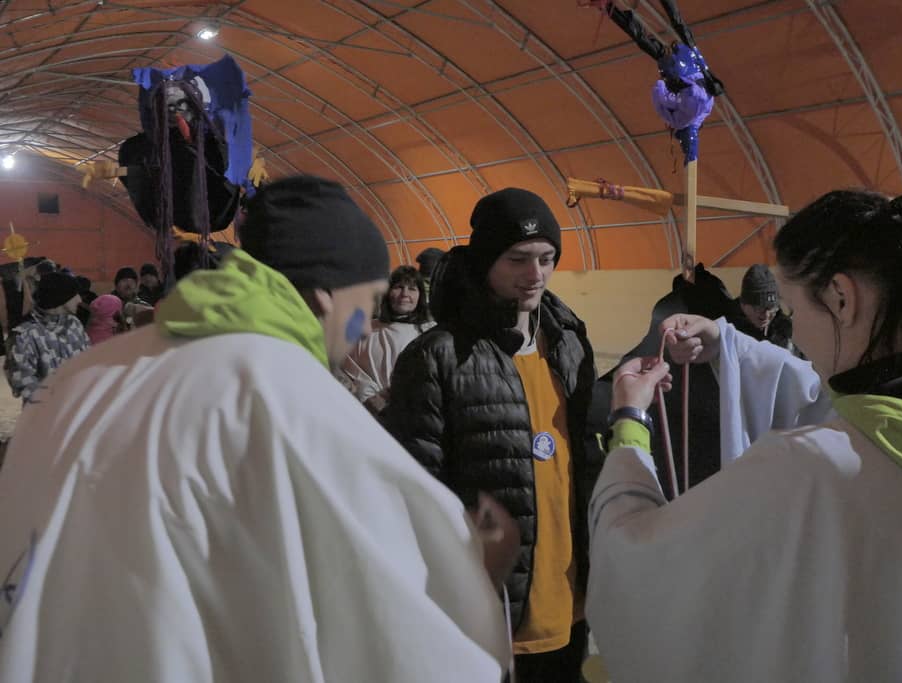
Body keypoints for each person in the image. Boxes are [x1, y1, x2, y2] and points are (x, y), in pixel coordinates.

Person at [0, 176, 510, 682]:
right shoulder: (282, 391)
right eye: (367, 302)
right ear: (327, 296)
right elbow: (386, 612)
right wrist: (471, 569)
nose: (361, 327)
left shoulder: (84, 374)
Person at [585, 190, 902, 682]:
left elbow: (639, 572)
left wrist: (630, 421)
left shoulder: (806, 471)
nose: (793, 333)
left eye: (793, 311)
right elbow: (828, 398)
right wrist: (728, 344)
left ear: (841, 298)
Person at [387, 188, 599, 683]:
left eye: (547, 258)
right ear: (486, 262)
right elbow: (415, 492)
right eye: (517, 259)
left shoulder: (569, 343)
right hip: (486, 614)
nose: (536, 274)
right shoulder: (438, 357)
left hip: (569, 605)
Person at [341, 265, 433, 415]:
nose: (405, 294)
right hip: (371, 413)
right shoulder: (366, 329)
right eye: (399, 287)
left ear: (420, 296)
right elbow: (350, 368)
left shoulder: (430, 331)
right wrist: (371, 397)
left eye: (412, 289)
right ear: (387, 292)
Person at [3, 271, 89, 401]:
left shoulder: (74, 324)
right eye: (74, 294)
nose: (79, 300)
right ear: (61, 297)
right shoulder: (24, 335)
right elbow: (23, 382)